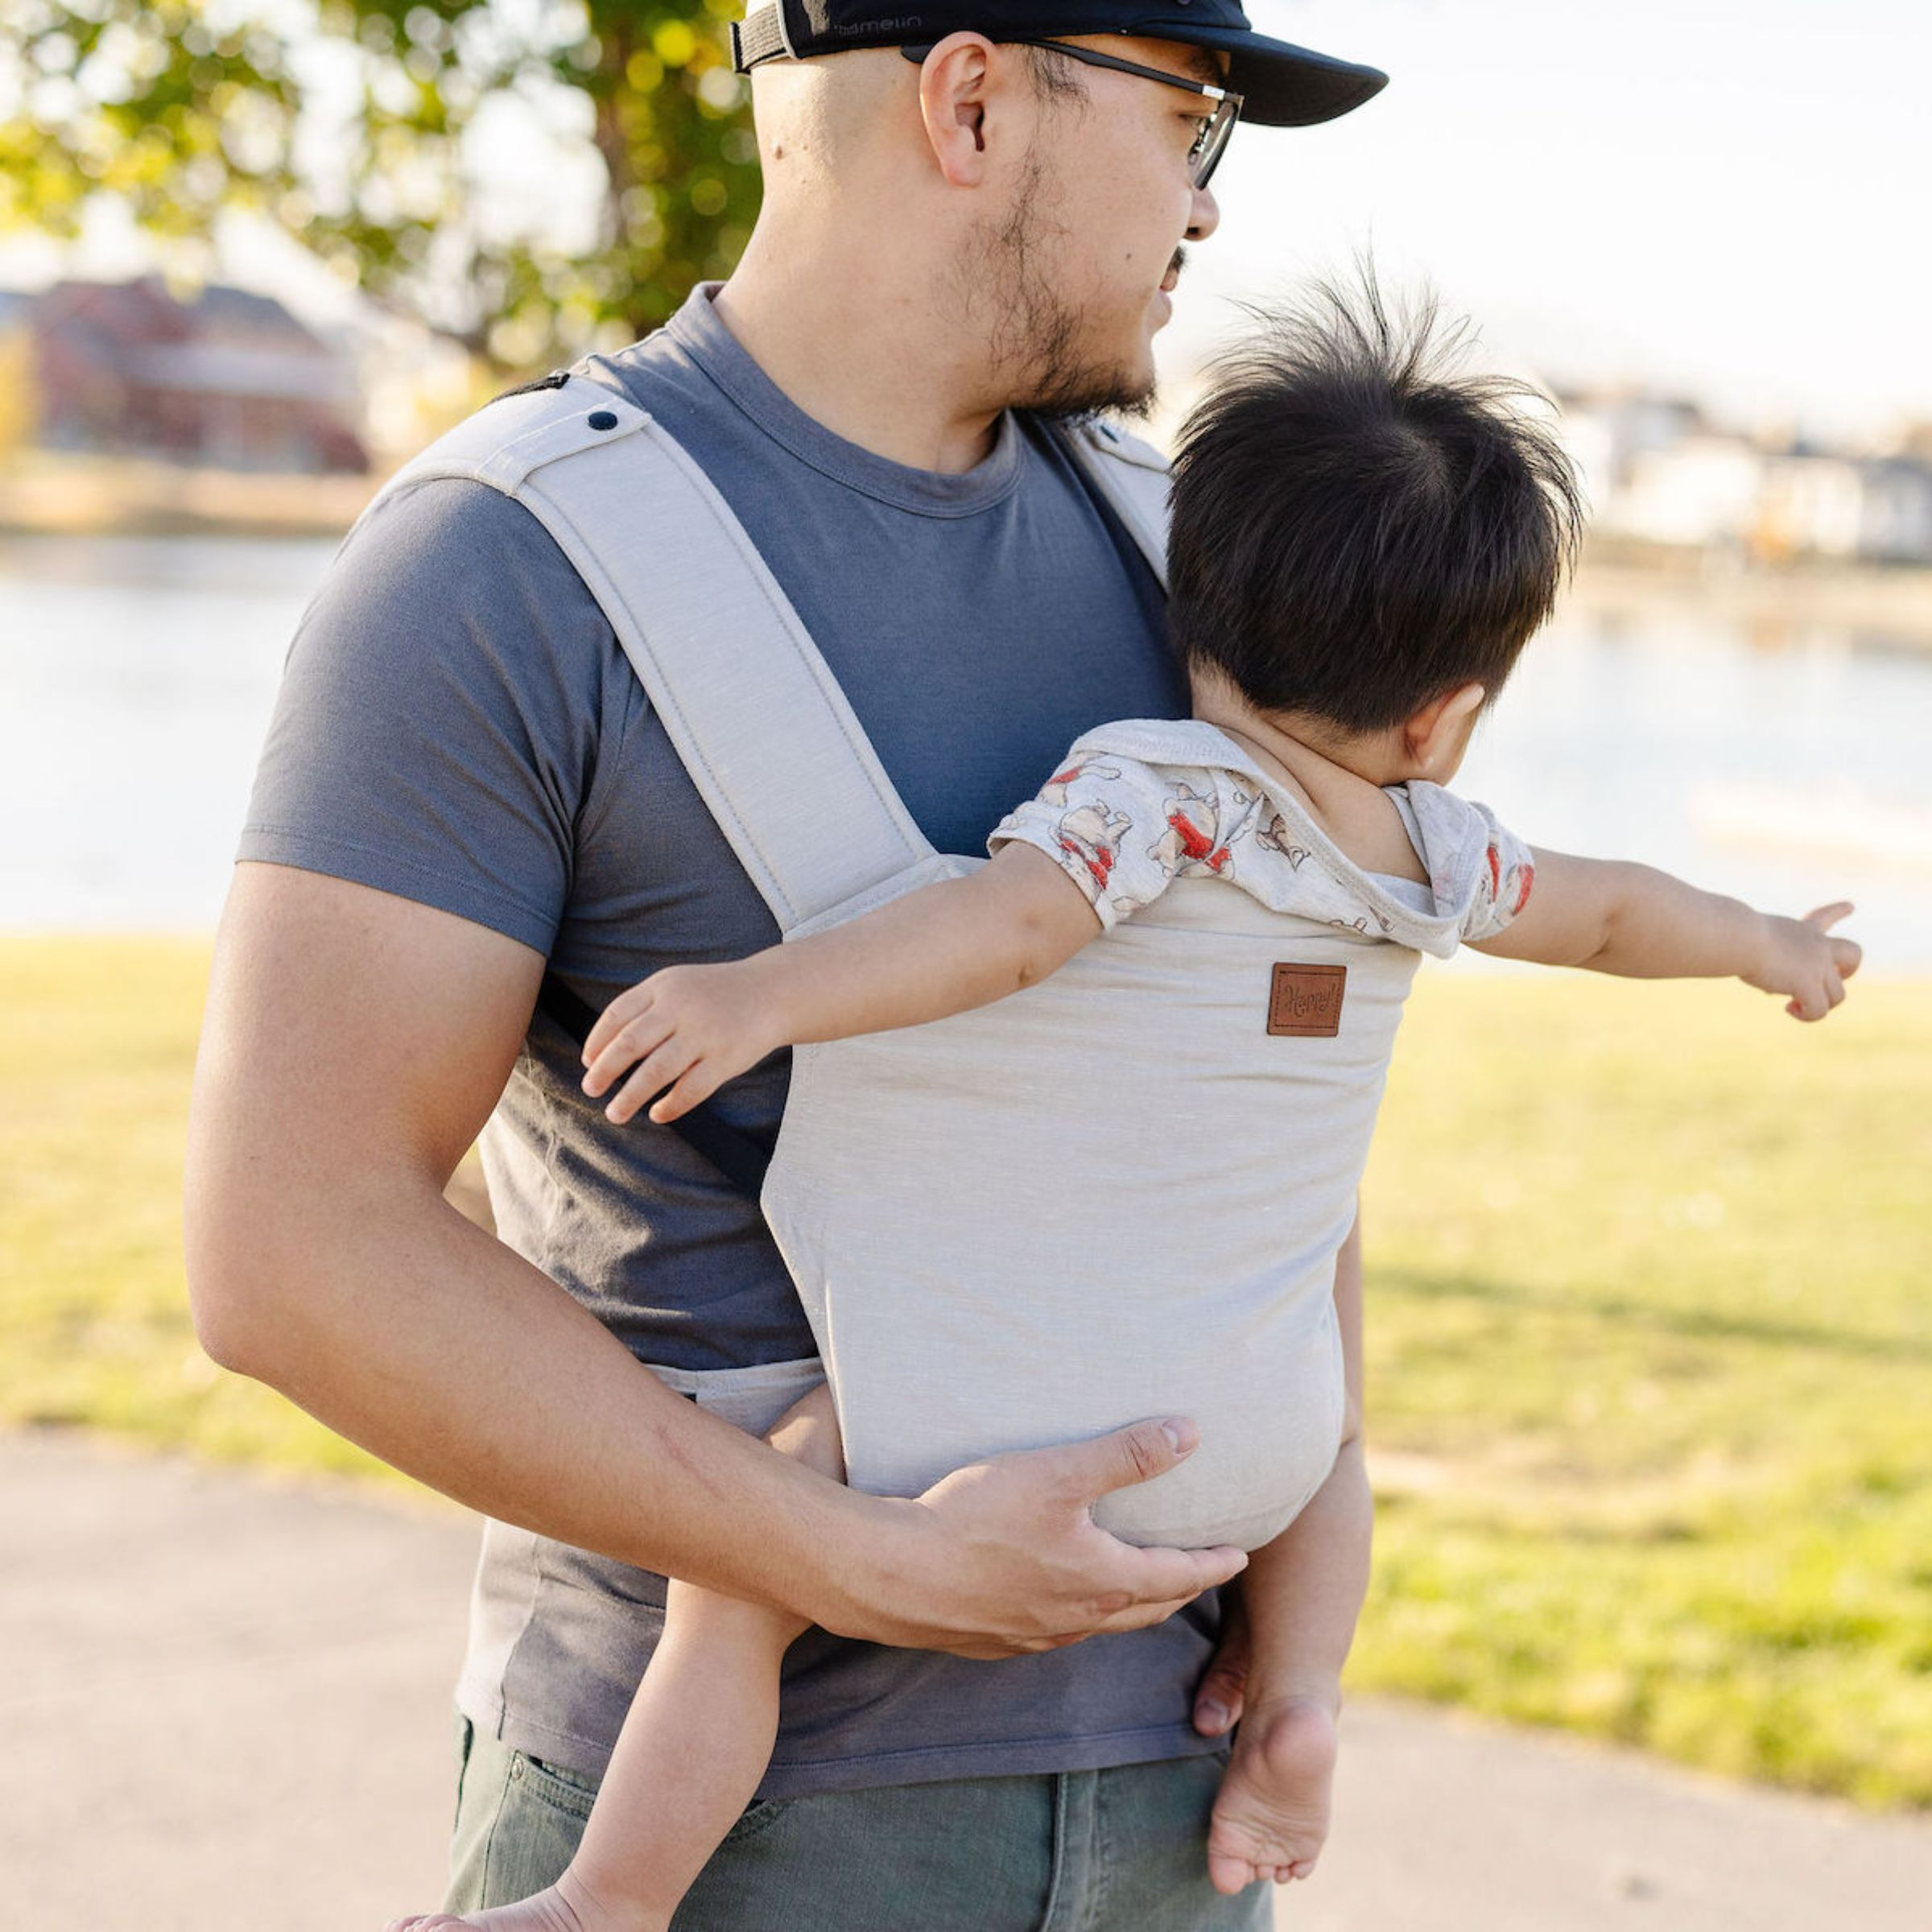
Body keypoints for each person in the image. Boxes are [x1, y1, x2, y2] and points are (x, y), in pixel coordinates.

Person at [382, 285, 1860, 1932]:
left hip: (972, 1427)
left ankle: (606, 1899)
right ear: (1443, 717)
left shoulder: (1158, 795)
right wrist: (1771, 946)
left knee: (737, 1588)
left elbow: (1001, 932)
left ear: (1189, 611)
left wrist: (762, 996)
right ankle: (1294, 1704)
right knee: (1339, 1434)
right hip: (1254, 1446)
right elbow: (1616, 912)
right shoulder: (1437, 856)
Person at [186, 7, 1396, 1927]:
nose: (1207, 208)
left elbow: (1272, 1101)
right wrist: (859, 1561)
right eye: (1196, 124)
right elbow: (294, 1250)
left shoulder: (1200, 566)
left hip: (1181, 1816)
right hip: (716, 1844)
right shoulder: (499, 570)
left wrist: (1302, 1621)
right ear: (972, 101)